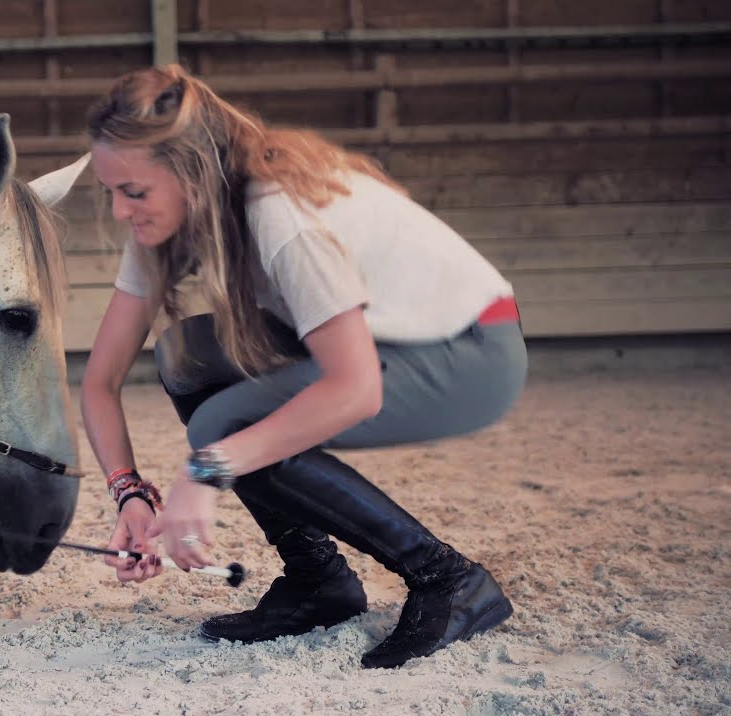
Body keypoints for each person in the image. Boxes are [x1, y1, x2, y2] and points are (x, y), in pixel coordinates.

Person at [77, 64, 527, 670]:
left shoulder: (278, 212)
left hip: (470, 351)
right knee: (189, 358)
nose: (118, 211)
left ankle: (447, 577)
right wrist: (130, 494)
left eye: (133, 192)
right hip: (386, 342)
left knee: (223, 424)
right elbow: (100, 382)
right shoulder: (170, 220)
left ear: (194, 175)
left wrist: (205, 471)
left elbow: (355, 390)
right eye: (111, 191)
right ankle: (319, 581)